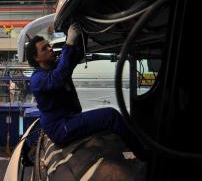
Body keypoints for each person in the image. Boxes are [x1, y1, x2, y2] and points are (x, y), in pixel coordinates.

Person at [25, 23, 144, 155]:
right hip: (60, 128)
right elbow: (59, 76)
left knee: (109, 117)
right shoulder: (37, 79)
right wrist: (68, 42)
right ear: (36, 58)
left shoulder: (55, 67)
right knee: (111, 116)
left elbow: (75, 56)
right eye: (44, 48)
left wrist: (81, 35)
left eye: (49, 45)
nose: (50, 48)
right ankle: (143, 154)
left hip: (70, 118)